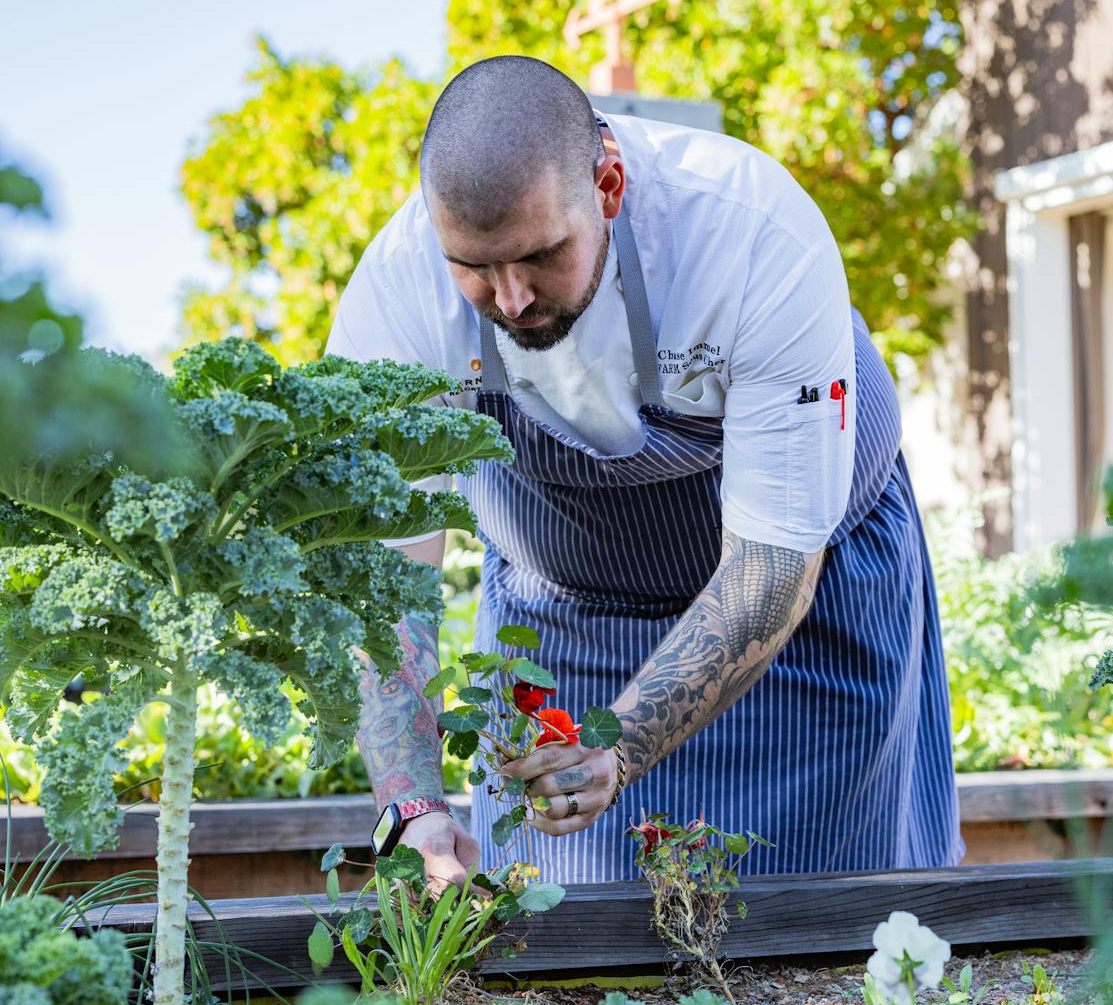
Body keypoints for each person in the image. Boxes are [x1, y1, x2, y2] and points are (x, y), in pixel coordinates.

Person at [326, 56, 963, 886]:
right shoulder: (396, 292)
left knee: (813, 917)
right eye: (475, 269)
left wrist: (619, 745)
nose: (511, 299)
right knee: (546, 921)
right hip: (565, 604)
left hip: (806, 602)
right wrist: (410, 805)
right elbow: (380, 584)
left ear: (611, 184)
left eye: (540, 255)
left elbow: (772, 565)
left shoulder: (754, 235)